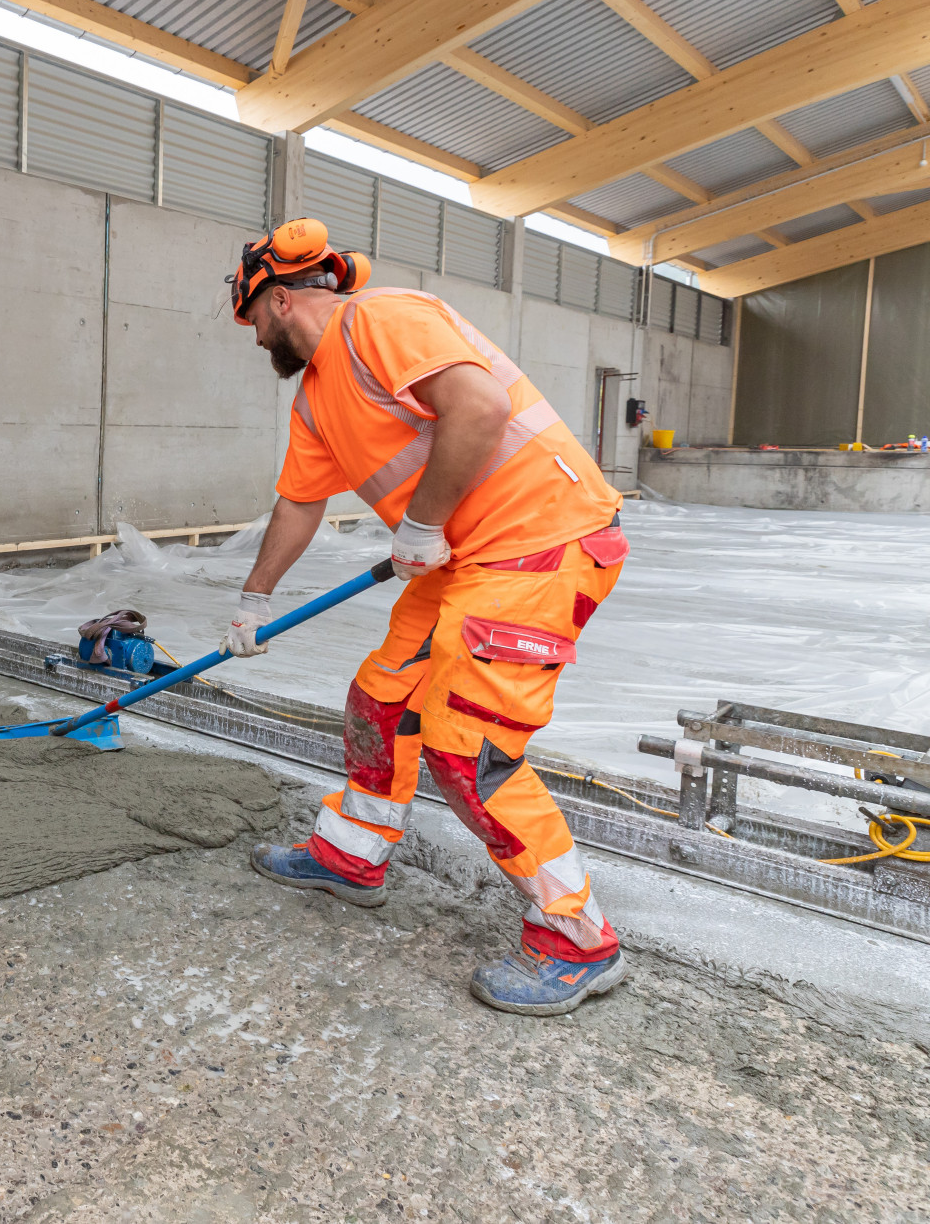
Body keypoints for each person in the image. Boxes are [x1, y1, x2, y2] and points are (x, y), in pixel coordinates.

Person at [223, 218, 630, 1018]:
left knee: (467, 745)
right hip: (464, 556)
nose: (253, 338)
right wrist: (255, 597)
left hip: (542, 543)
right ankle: (351, 856)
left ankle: (578, 940)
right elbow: (299, 506)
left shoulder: (379, 318)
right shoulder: (315, 397)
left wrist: (421, 524)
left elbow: (475, 407)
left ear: (275, 300)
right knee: (381, 699)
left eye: (251, 321)